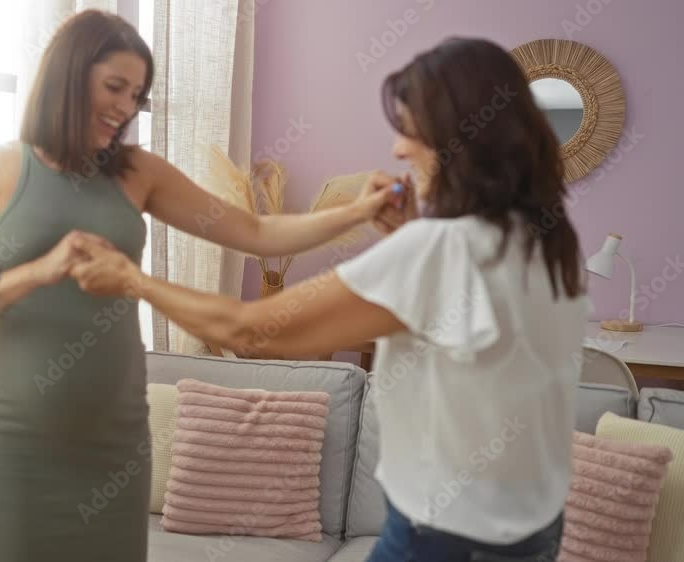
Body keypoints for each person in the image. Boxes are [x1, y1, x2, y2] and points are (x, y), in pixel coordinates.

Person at [69, 37, 587, 562]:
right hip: (533, 532)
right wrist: (406, 239)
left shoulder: (439, 251)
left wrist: (133, 280)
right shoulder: (548, 244)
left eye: (411, 131)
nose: (398, 150)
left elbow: (250, 332)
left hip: (442, 538)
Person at [0, 10, 401, 561]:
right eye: (114, 87)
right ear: (69, 74)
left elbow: (256, 231)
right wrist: (36, 272)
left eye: (136, 95)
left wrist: (357, 212)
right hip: (16, 429)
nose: (126, 108)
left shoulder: (137, 172)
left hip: (115, 431)